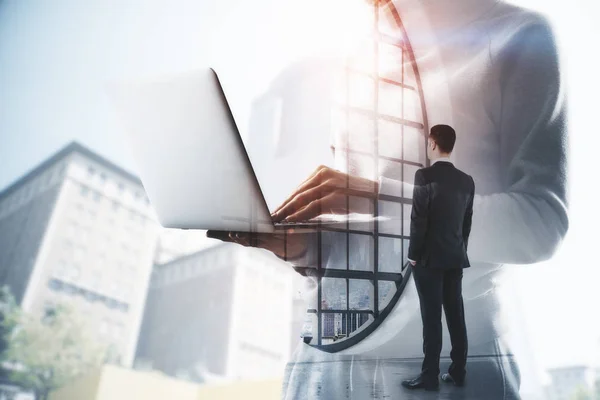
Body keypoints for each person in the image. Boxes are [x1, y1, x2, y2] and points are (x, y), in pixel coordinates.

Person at [210, 0, 568, 398]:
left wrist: (385, 202)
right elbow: (368, 233)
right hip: (321, 363)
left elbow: (541, 220)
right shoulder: (358, 56)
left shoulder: (517, 35)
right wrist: (306, 251)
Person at [400, 124, 474, 391]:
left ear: (432, 144)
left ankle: (430, 376)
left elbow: (418, 219)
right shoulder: (467, 181)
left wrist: (413, 254)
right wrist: (459, 249)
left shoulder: (424, 176)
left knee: (431, 318)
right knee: (456, 316)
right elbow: (467, 223)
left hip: (429, 260)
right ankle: (458, 371)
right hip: (455, 258)